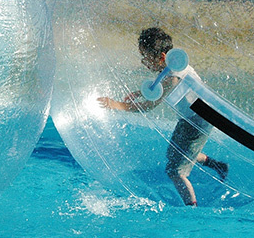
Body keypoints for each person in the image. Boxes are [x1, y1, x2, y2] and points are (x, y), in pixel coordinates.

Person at [97, 27, 228, 206]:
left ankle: (192, 209)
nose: (144, 62)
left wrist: (116, 105)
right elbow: (159, 86)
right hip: (190, 118)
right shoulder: (176, 66)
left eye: (146, 57)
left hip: (199, 121)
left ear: (162, 57)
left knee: (176, 171)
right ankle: (217, 165)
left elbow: (147, 107)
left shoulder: (172, 78)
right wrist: (141, 92)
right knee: (174, 153)